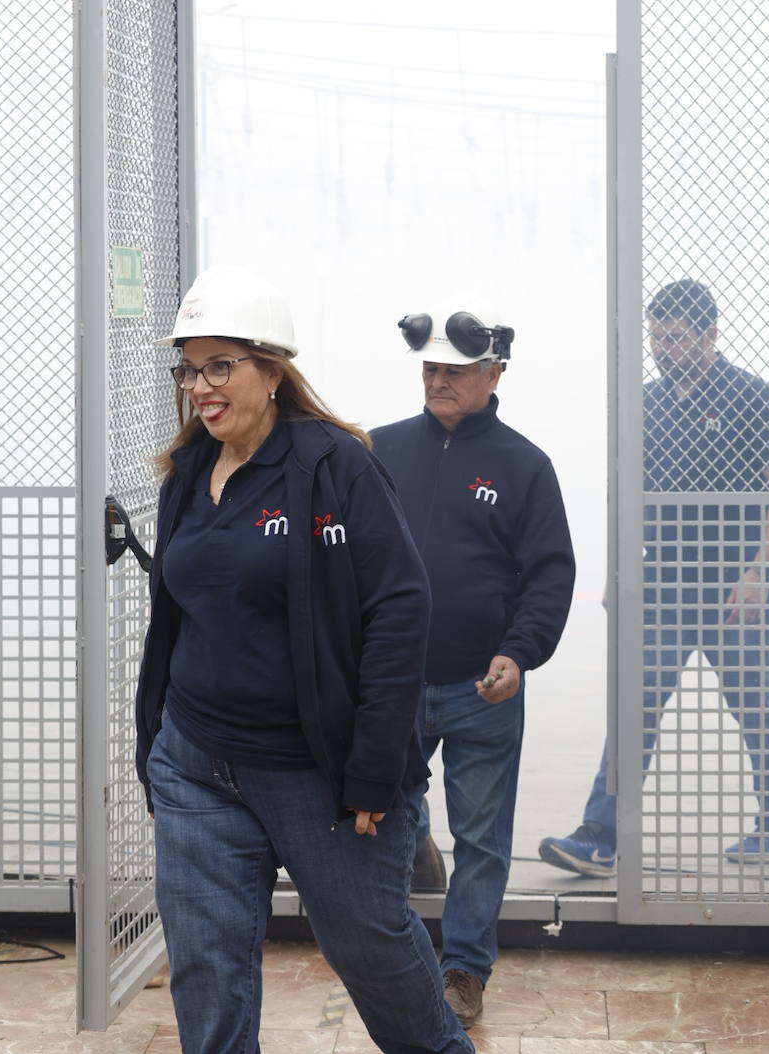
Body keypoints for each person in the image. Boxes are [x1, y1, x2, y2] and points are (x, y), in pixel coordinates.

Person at [135, 266, 475, 1054]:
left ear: (273, 369)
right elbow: (176, 618)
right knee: (206, 971)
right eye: (189, 366)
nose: (199, 386)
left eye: (220, 365)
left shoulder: (335, 466)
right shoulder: (188, 473)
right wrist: (155, 749)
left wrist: (374, 765)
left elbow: (399, 609)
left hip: (316, 775)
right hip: (196, 767)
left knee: (370, 949)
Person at [539, 278, 769, 877]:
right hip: (661, 587)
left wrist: (761, 570)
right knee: (634, 704)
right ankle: (601, 836)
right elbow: (626, 497)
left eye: (675, 337)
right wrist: (617, 570)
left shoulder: (753, 398)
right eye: (656, 337)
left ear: (710, 335)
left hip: (738, 588)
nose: (662, 348)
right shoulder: (646, 403)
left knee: (751, 699)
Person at [371, 301, 575, 1029]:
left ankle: (463, 972)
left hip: (482, 687)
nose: (438, 381)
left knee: (484, 835)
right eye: (429, 369)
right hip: (392, 681)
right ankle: (403, 921)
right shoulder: (380, 450)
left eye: (454, 371)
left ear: (494, 373)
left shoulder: (524, 466)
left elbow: (549, 576)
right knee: (385, 810)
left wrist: (518, 654)